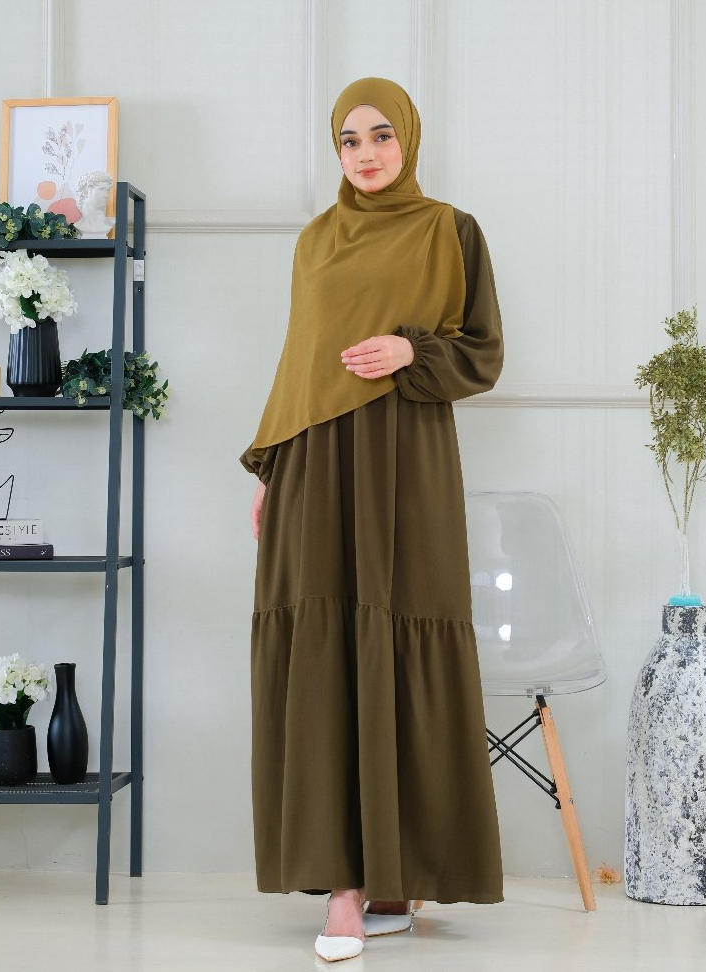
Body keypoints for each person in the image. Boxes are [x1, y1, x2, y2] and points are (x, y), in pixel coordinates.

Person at [239, 77, 505, 963]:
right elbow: (300, 362)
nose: (366, 153)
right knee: (327, 654)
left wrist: (409, 350)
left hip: (406, 460)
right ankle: (344, 890)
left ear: (410, 140)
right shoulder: (316, 241)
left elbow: (483, 354)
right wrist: (272, 468)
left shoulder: (451, 231)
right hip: (314, 467)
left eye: (382, 135)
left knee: (401, 633)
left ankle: (396, 873)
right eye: (349, 140)